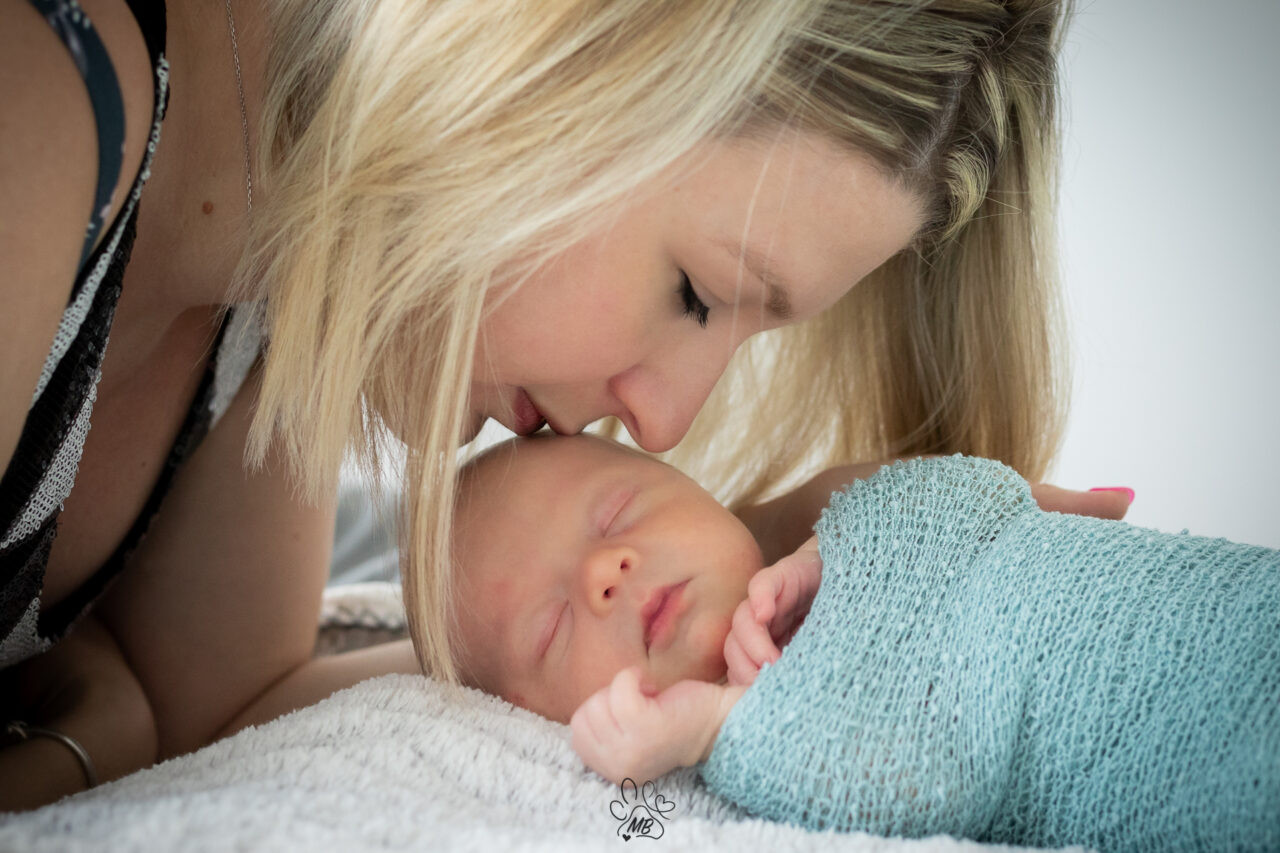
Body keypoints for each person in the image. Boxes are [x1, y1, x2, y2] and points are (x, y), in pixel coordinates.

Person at [1, 0, 1128, 810]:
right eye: (697, 293)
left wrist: (744, 560)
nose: (666, 425)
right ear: (558, 51)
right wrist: (90, 729)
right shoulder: (40, 95)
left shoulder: (273, 284)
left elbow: (223, 717)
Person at [450, 434, 1279, 851]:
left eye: (617, 513)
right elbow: (918, 782)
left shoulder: (852, 531)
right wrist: (716, 727)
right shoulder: (759, 743)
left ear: (697, 485)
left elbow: (977, 499)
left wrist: (842, 539)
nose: (604, 571)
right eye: (553, 627)